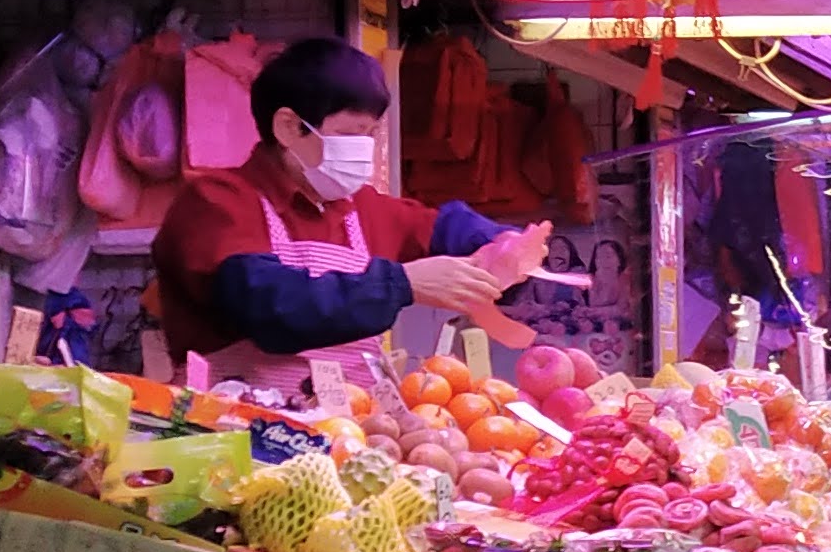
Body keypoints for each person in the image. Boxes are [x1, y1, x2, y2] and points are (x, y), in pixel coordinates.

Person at [152, 37, 552, 405]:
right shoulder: (217, 203)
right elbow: (270, 308)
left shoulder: (362, 208)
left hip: (357, 436)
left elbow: (444, 226)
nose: (365, 148)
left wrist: (502, 247)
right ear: (289, 128)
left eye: (371, 133)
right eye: (350, 133)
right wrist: (404, 284)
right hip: (237, 437)